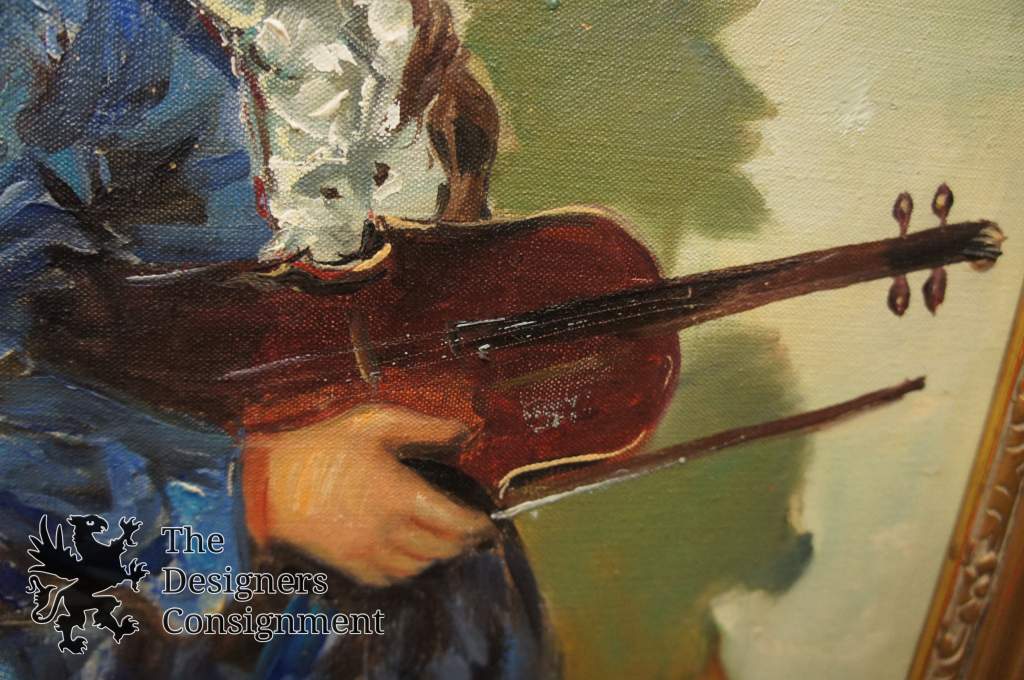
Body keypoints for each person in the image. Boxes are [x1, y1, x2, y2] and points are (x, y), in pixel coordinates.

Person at [0, 0, 555, 677]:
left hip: (426, 616)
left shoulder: (403, 26)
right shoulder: (53, 27)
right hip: (136, 624)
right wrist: (257, 492)